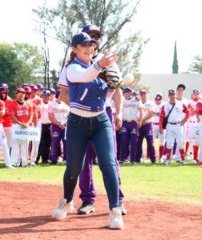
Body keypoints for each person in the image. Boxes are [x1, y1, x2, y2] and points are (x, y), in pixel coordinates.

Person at [52, 32, 124, 229]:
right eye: (84, 45)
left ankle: (115, 211)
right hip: (77, 123)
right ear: (74, 49)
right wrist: (101, 65)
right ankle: (67, 200)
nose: (90, 48)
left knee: (108, 164)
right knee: (74, 167)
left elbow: (108, 93)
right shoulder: (72, 68)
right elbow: (84, 76)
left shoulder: (100, 67)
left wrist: (115, 82)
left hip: (101, 121)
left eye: (92, 45)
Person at [159, 89, 189, 165]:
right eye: (171, 95)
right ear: (168, 96)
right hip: (169, 125)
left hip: (178, 125)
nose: (172, 96)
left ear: (176, 95)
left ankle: (182, 159)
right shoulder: (165, 106)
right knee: (169, 142)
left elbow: (188, 111)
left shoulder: (181, 104)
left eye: (173, 94)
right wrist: (160, 127)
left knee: (180, 142)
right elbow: (161, 117)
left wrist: (185, 120)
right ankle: (168, 159)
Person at [10, 88, 33, 167]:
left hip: (25, 126)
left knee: (24, 145)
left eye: (23, 94)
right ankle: (14, 162)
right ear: (16, 95)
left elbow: (31, 115)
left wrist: (28, 123)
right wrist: (20, 123)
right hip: (16, 126)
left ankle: (24, 162)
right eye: (19, 94)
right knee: (15, 145)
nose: (21, 95)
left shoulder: (28, 104)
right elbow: (12, 116)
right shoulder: (13, 103)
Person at [120, 87, 142, 164]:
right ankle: (122, 159)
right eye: (125, 93)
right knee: (124, 141)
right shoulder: (122, 100)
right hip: (125, 122)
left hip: (133, 123)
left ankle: (132, 160)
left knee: (133, 142)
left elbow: (140, 109)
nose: (125, 94)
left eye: (129, 93)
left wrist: (140, 120)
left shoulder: (135, 100)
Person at [48, 90, 69, 164]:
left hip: (65, 125)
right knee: (55, 142)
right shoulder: (51, 104)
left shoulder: (66, 104)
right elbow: (50, 116)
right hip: (55, 125)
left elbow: (68, 116)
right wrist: (58, 123)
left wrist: (63, 123)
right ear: (58, 95)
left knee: (66, 142)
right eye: (63, 95)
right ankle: (54, 159)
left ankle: (66, 159)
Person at [136, 89, 156, 163]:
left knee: (150, 143)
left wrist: (142, 120)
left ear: (147, 94)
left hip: (148, 124)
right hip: (139, 125)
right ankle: (137, 159)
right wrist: (140, 121)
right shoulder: (137, 103)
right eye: (142, 94)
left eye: (145, 94)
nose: (143, 95)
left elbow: (152, 113)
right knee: (138, 143)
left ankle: (153, 159)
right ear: (140, 95)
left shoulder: (150, 103)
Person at [36, 90, 52, 164]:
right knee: (40, 143)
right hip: (41, 125)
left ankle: (45, 159)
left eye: (47, 96)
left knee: (47, 143)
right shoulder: (39, 104)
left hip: (49, 125)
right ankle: (36, 159)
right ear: (43, 96)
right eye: (44, 96)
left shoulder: (51, 104)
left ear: (49, 97)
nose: (46, 97)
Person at [186, 89, 200, 161]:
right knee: (188, 139)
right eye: (194, 93)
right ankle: (187, 153)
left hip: (198, 122)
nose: (195, 95)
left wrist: (196, 111)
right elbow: (189, 112)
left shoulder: (201, 102)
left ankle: (193, 154)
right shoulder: (190, 102)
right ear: (192, 94)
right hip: (190, 122)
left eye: (197, 93)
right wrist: (194, 111)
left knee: (196, 139)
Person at [152, 93, 166, 160]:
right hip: (153, 124)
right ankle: (148, 157)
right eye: (156, 99)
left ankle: (161, 157)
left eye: (159, 99)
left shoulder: (165, 104)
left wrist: (158, 113)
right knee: (151, 141)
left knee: (162, 142)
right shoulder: (152, 104)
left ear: (162, 99)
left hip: (162, 125)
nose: (157, 100)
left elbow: (166, 114)